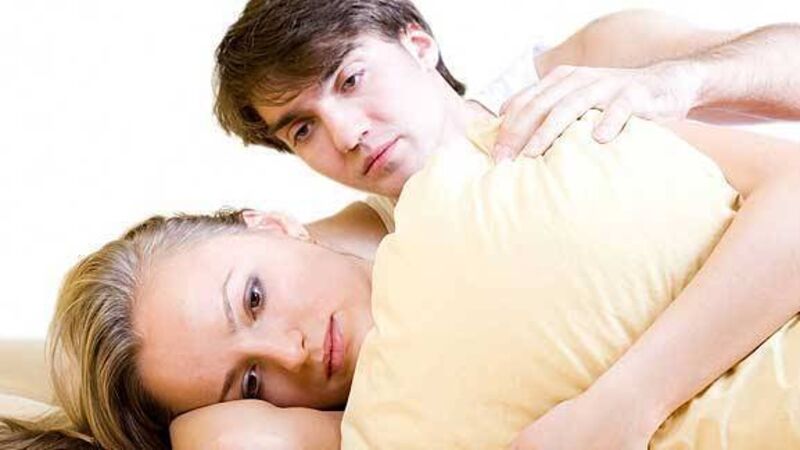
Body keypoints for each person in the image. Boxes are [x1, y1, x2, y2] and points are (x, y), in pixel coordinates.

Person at [1, 108, 798, 449]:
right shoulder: (378, 423)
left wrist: (626, 402)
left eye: (254, 298)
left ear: (271, 223)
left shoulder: (481, 161)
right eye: (249, 381)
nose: (292, 351)